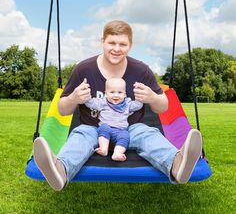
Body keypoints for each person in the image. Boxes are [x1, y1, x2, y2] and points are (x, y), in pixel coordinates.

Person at [33, 20, 202, 191]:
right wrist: (74, 98)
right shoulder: (84, 69)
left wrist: (152, 97)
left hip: (130, 129)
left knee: (147, 133)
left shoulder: (141, 70)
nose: (116, 48)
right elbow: (62, 109)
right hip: (94, 129)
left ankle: (176, 164)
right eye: (111, 42)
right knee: (80, 135)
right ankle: (60, 171)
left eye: (122, 44)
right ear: (102, 41)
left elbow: (163, 107)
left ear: (130, 45)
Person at [85, 77, 143, 161]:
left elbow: (138, 105)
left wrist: (138, 95)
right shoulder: (103, 102)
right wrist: (87, 95)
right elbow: (90, 103)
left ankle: (117, 153)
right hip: (106, 129)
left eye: (120, 92)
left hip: (120, 131)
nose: (116, 95)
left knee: (125, 135)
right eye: (112, 92)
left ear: (124, 94)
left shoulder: (127, 104)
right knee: (103, 128)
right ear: (106, 93)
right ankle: (103, 148)